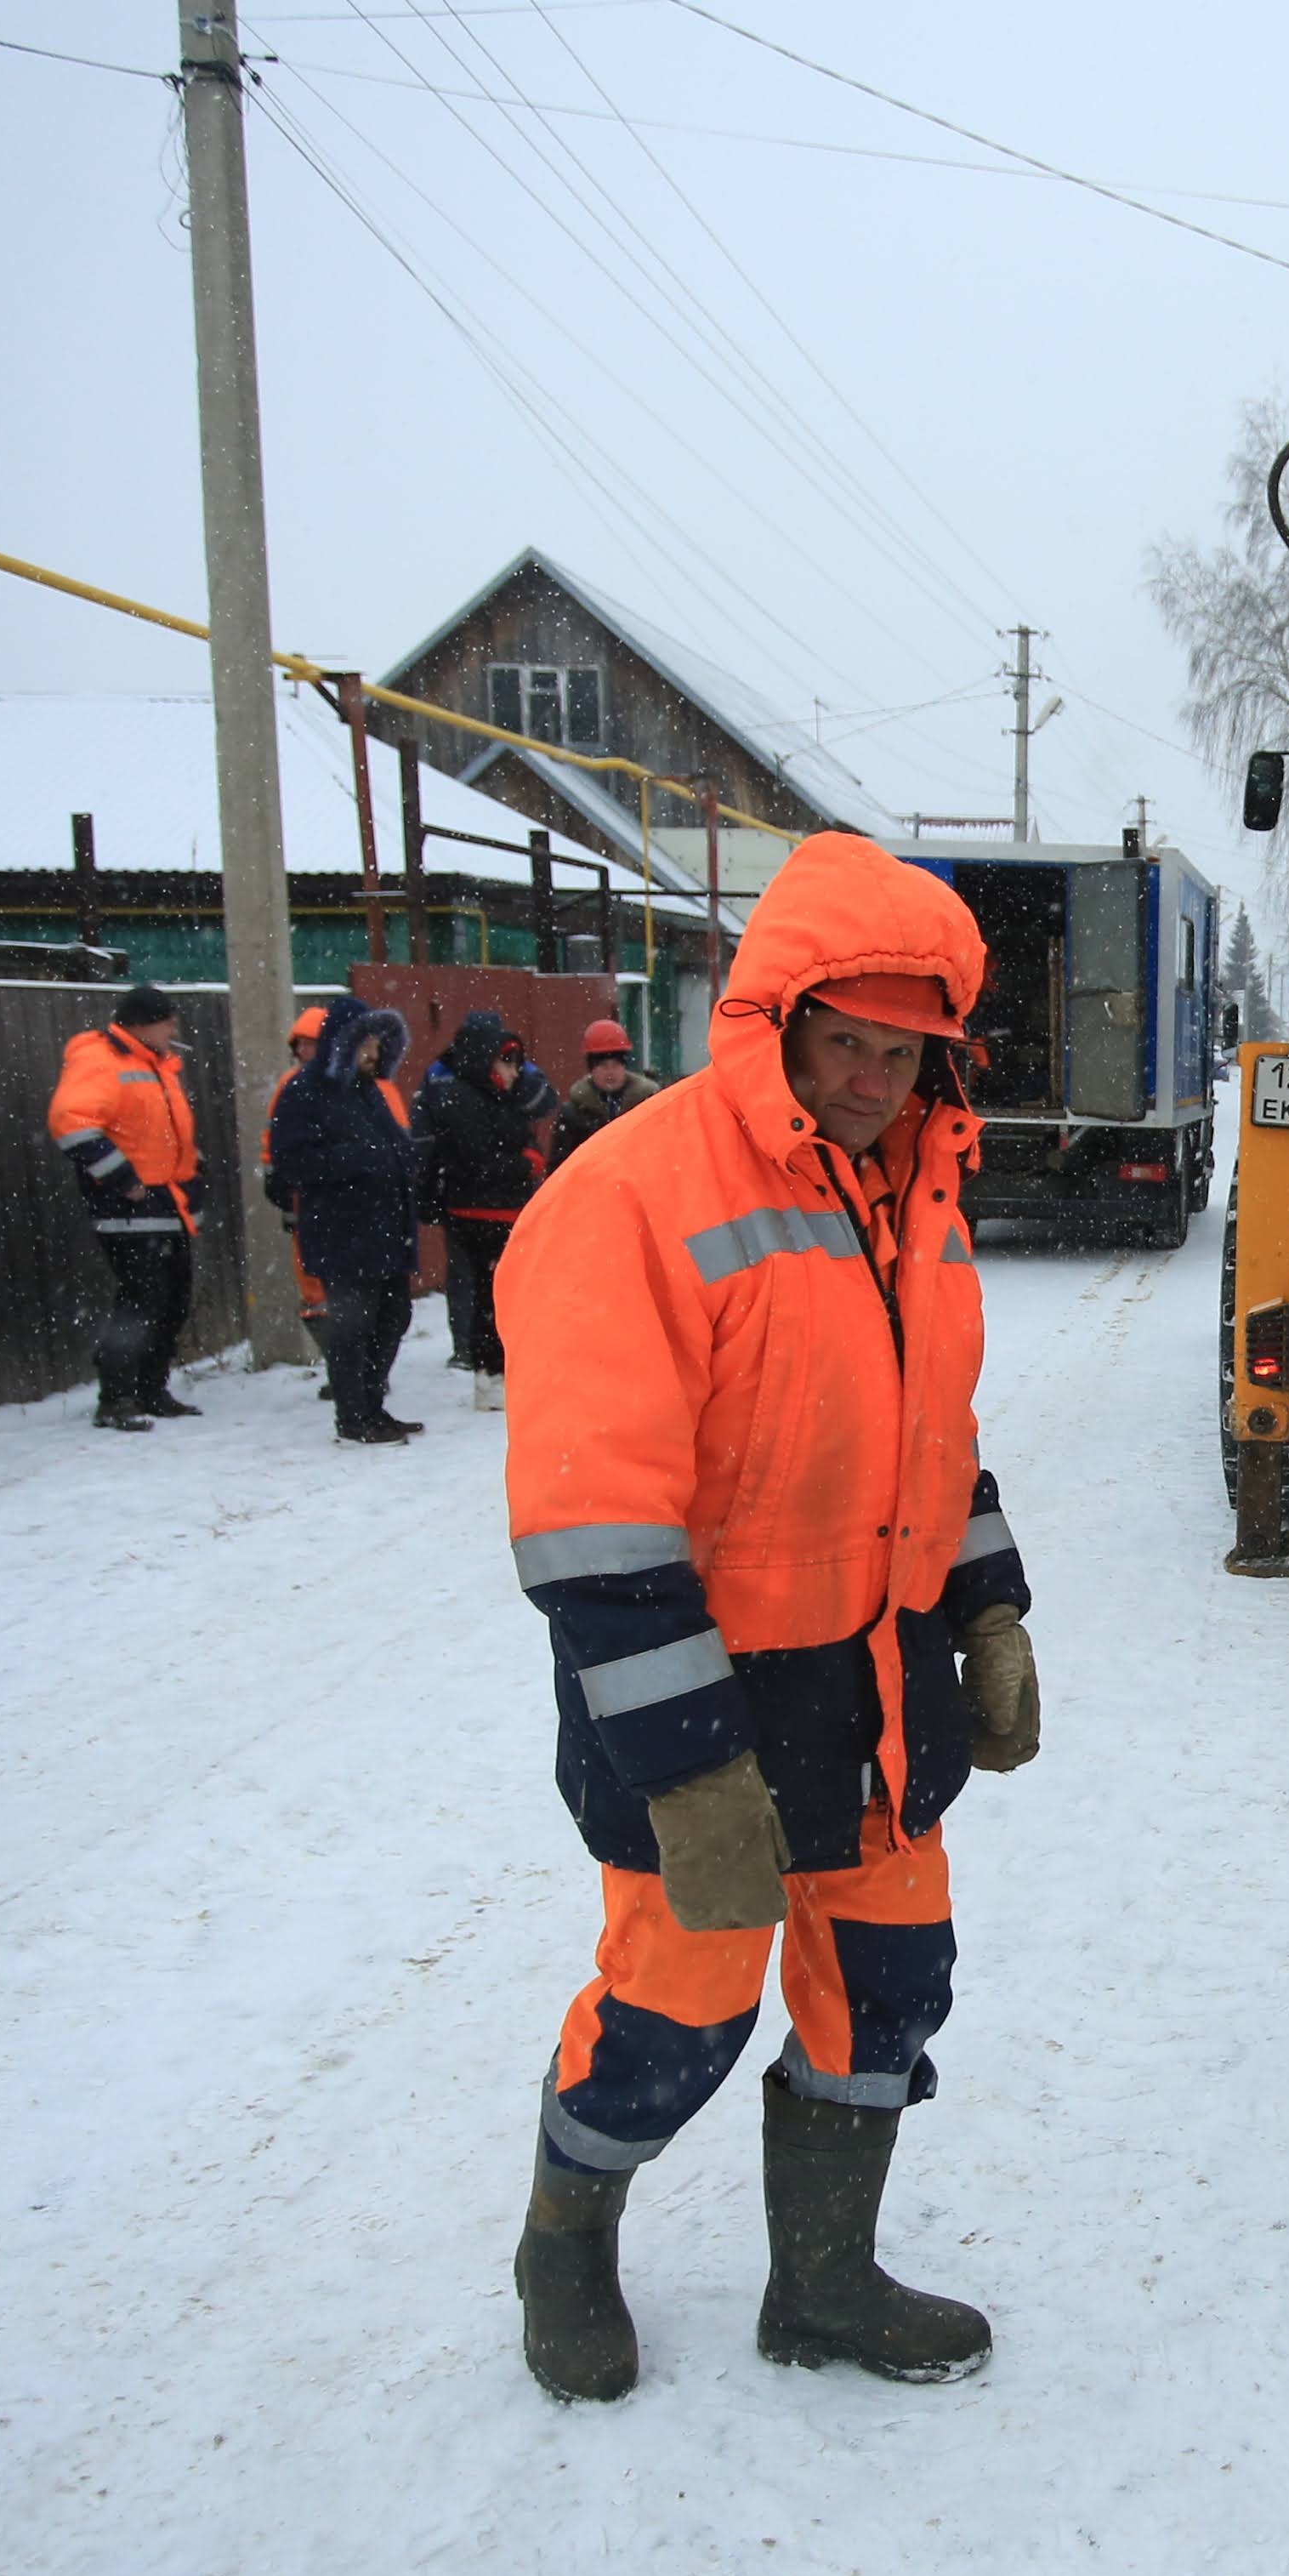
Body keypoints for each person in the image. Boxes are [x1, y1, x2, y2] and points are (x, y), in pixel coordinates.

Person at [497, 832, 1042, 2405]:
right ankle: (562, 2246)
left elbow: (928, 1437)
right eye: (847, 1042)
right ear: (776, 1021)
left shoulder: (913, 1196)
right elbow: (595, 1524)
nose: (875, 1080)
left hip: (878, 1700)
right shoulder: (633, 1195)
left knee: (887, 1990)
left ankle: (822, 2284)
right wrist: (685, 1764)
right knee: (671, 2020)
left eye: (904, 1052)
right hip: (714, 1713)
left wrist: (989, 1606)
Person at [266, 999, 423, 1446]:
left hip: (385, 1226)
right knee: (353, 1324)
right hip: (342, 1228)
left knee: (394, 1316)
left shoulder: (367, 1089)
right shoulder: (305, 1091)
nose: (373, 1051)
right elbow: (291, 1161)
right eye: (365, 1041)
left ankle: (372, 1406)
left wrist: (410, 1155)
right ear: (344, 1042)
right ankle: (353, 1417)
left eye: (376, 1042)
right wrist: (360, 1159)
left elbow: (391, 1144)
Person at [45, 982, 202, 1432]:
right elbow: (71, 1123)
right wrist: (121, 1178)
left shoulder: (154, 1064)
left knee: (172, 1300)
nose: (174, 1030)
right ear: (140, 1025)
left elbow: (164, 1134)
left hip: (165, 1204)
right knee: (142, 1301)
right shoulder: (101, 1060)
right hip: (129, 1209)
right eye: (167, 1022)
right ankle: (117, 1397)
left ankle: (151, 1389)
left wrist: (194, 1179)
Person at [416, 1009, 556, 1413]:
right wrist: (525, 1163)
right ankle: (490, 1372)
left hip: (494, 1211)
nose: (514, 1073)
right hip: (484, 1216)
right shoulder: (464, 1100)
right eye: (507, 1063)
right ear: (487, 1061)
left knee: (493, 1295)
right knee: (493, 1297)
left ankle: (495, 1370)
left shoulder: (487, 1096)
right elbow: (478, 1162)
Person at [263, 1004, 334, 1381]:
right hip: (304, 1201)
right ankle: (341, 1367)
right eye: (301, 1044)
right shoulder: (293, 1086)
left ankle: (349, 1369)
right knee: (315, 1289)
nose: (306, 1051)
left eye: (313, 1043)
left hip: (328, 1200)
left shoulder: (338, 1086)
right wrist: (277, 1178)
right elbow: (274, 1141)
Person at [549, 1016, 657, 1169]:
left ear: (624, 1066)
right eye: (603, 1065)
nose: (610, 1072)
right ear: (591, 1069)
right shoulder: (572, 1114)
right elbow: (560, 1167)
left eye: (616, 1064)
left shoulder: (648, 1105)